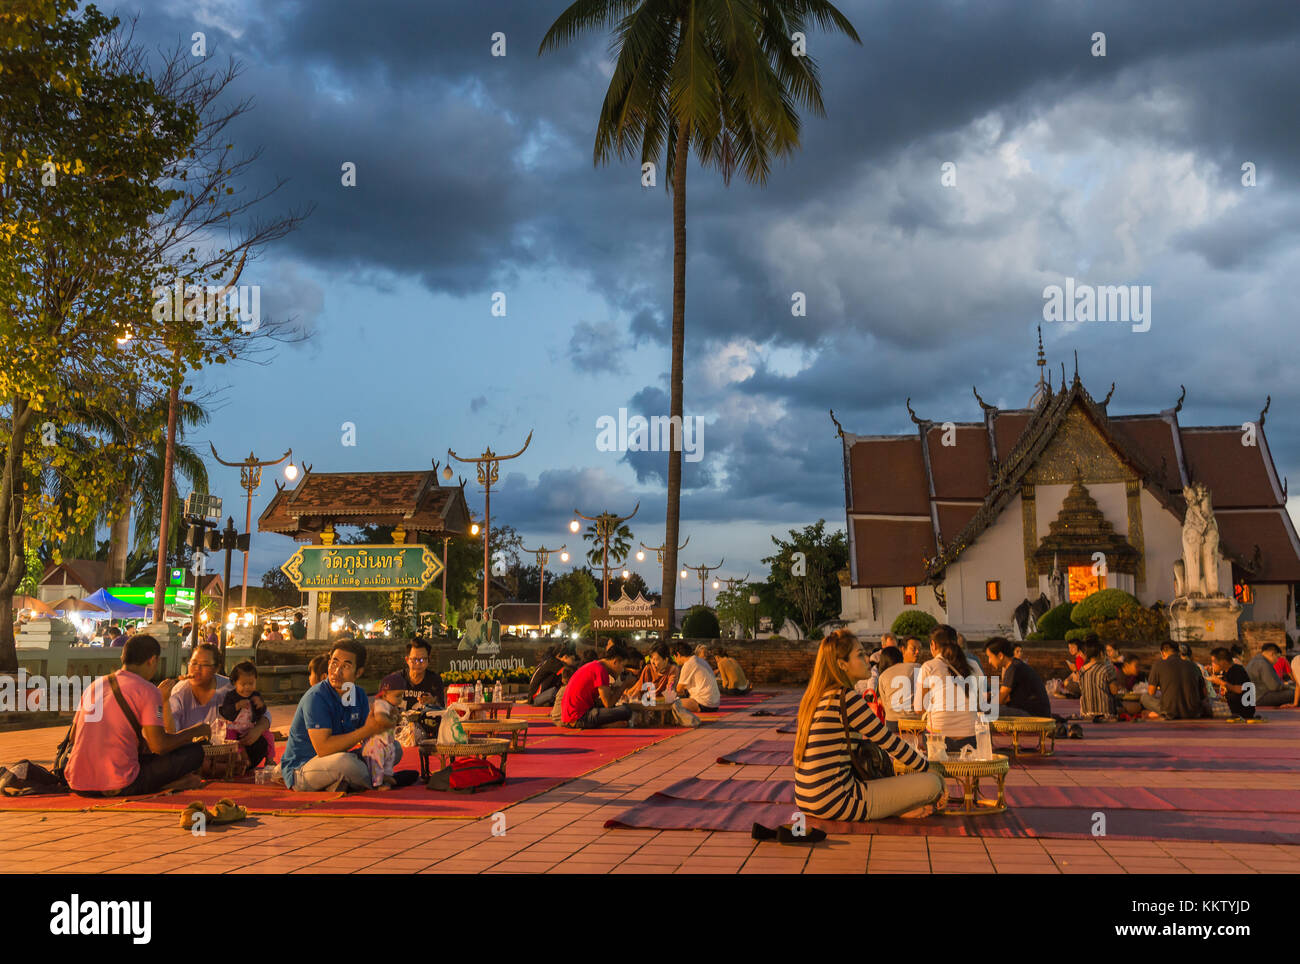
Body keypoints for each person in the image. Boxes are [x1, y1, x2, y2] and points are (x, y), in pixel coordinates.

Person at [793, 630, 944, 821]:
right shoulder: (846, 698)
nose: (867, 658)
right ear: (842, 664)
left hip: (807, 799)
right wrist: (931, 770)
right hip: (837, 801)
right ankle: (894, 808)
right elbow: (890, 742)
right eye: (859, 654)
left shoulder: (817, 697)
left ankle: (895, 807)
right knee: (931, 784)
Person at [66, 635, 209, 797]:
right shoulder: (148, 690)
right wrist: (196, 731)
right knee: (194, 751)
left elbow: (73, 737)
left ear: (123, 657)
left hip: (78, 783)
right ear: (152, 660)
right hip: (119, 783)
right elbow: (159, 746)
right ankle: (170, 785)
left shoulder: (95, 686)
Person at [280, 639, 394, 792]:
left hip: (337, 759)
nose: (336, 671)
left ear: (358, 672)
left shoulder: (357, 694)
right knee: (347, 763)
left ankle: (347, 782)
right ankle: (378, 781)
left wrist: (384, 726)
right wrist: (369, 729)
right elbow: (323, 748)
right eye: (334, 663)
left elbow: (368, 738)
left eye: (346, 666)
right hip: (304, 768)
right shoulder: (316, 697)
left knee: (392, 748)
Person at [915, 624, 985, 752]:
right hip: (971, 737)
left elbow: (919, 708)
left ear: (933, 645)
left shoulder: (929, 666)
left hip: (939, 739)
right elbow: (981, 702)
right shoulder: (973, 665)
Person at [559, 644, 635, 728]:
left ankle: (605, 724)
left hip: (570, 716)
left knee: (616, 708)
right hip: (579, 717)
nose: (623, 670)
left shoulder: (595, 665)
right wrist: (625, 684)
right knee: (626, 710)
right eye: (623, 666)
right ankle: (605, 725)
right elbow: (608, 703)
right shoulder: (600, 671)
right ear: (615, 661)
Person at [166, 644, 235, 733]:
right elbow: (171, 732)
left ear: (216, 668)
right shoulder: (179, 691)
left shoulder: (229, 688)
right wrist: (164, 702)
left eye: (205, 664)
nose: (197, 668)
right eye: (193, 663)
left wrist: (258, 727)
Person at [217, 661, 274, 769]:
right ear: (235, 683)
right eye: (243, 684)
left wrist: (260, 705)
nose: (247, 688)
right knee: (230, 738)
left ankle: (270, 759)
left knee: (269, 736)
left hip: (250, 727)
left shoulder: (255, 695)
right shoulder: (231, 696)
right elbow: (225, 712)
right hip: (234, 727)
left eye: (251, 684)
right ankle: (241, 757)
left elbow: (262, 713)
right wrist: (237, 706)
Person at [983, 637, 1051, 717]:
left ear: (1000, 655)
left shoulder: (1013, 668)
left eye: (990, 657)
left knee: (984, 709)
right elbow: (1007, 698)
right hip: (1034, 711)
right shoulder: (1015, 665)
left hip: (1033, 714)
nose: (989, 661)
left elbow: (999, 701)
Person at [1141, 641, 1209, 719]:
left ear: (1163, 653)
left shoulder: (1158, 665)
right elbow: (1204, 694)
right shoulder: (1194, 666)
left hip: (1170, 711)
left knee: (1144, 697)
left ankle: (1159, 713)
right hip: (1193, 712)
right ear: (1178, 652)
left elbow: (1151, 692)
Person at [361, 681, 405, 788]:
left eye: (402, 696)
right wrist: (392, 722)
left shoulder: (391, 706)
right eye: (397, 696)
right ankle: (378, 783)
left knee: (388, 760)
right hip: (376, 743)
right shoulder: (380, 704)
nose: (400, 699)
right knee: (377, 762)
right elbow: (381, 719)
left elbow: (397, 717)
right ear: (385, 695)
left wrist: (397, 717)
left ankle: (386, 777)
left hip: (386, 742)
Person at [388, 638, 446, 712]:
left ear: (428, 660)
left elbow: (442, 710)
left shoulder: (435, 680)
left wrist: (433, 702)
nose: (418, 663)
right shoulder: (396, 679)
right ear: (407, 660)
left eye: (422, 659)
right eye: (414, 659)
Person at [876, 645, 921, 731]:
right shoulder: (917, 667)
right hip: (917, 723)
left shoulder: (882, 676)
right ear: (901, 656)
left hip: (893, 724)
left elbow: (885, 707)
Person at [671, 642, 721, 713]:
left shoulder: (688, 664)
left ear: (678, 654)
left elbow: (679, 689)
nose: (675, 660)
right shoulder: (700, 661)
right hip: (715, 704)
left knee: (672, 704)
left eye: (674, 657)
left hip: (704, 703)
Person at [1208, 647, 1255, 720]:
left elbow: (1240, 689)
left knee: (1207, 708)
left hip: (1241, 710)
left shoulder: (1237, 670)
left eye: (1213, 662)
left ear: (1223, 662)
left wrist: (1220, 682)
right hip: (1233, 707)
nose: (1212, 664)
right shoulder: (1226, 671)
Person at [1078, 639, 1120, 719]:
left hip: (1086, 713)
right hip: (1105, 712)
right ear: (1101, 653)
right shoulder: (1107, 668)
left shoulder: (1082, 670)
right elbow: (1114, 691)